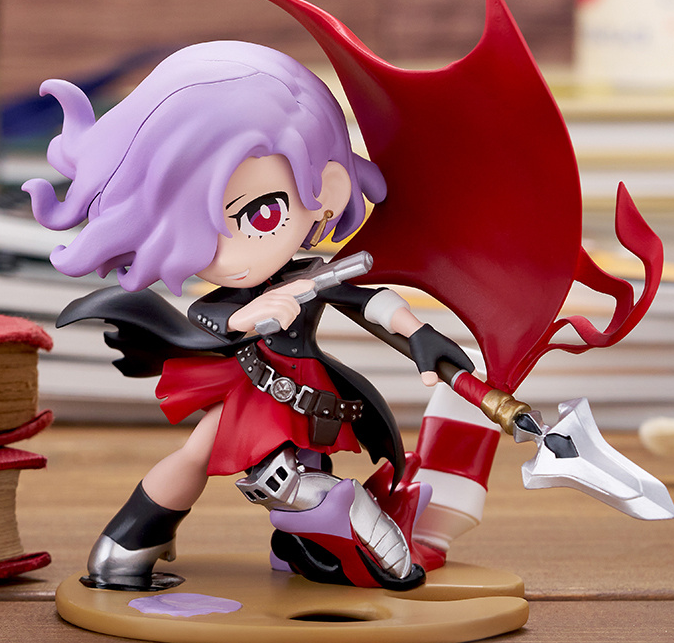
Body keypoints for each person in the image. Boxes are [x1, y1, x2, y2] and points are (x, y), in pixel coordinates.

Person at [24, 41, 475, 593]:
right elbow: (209, 316)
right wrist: (249, 316)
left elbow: (368, 301)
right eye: (195, 227)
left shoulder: (311, 275)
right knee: (229, 464)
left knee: (305, 464)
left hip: (310, 392)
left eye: (262, 214)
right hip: (254, 386)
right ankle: (126, 546)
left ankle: (300, 550)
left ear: (328, 189)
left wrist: (420, 335)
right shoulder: (236, 300)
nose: (229, 255)